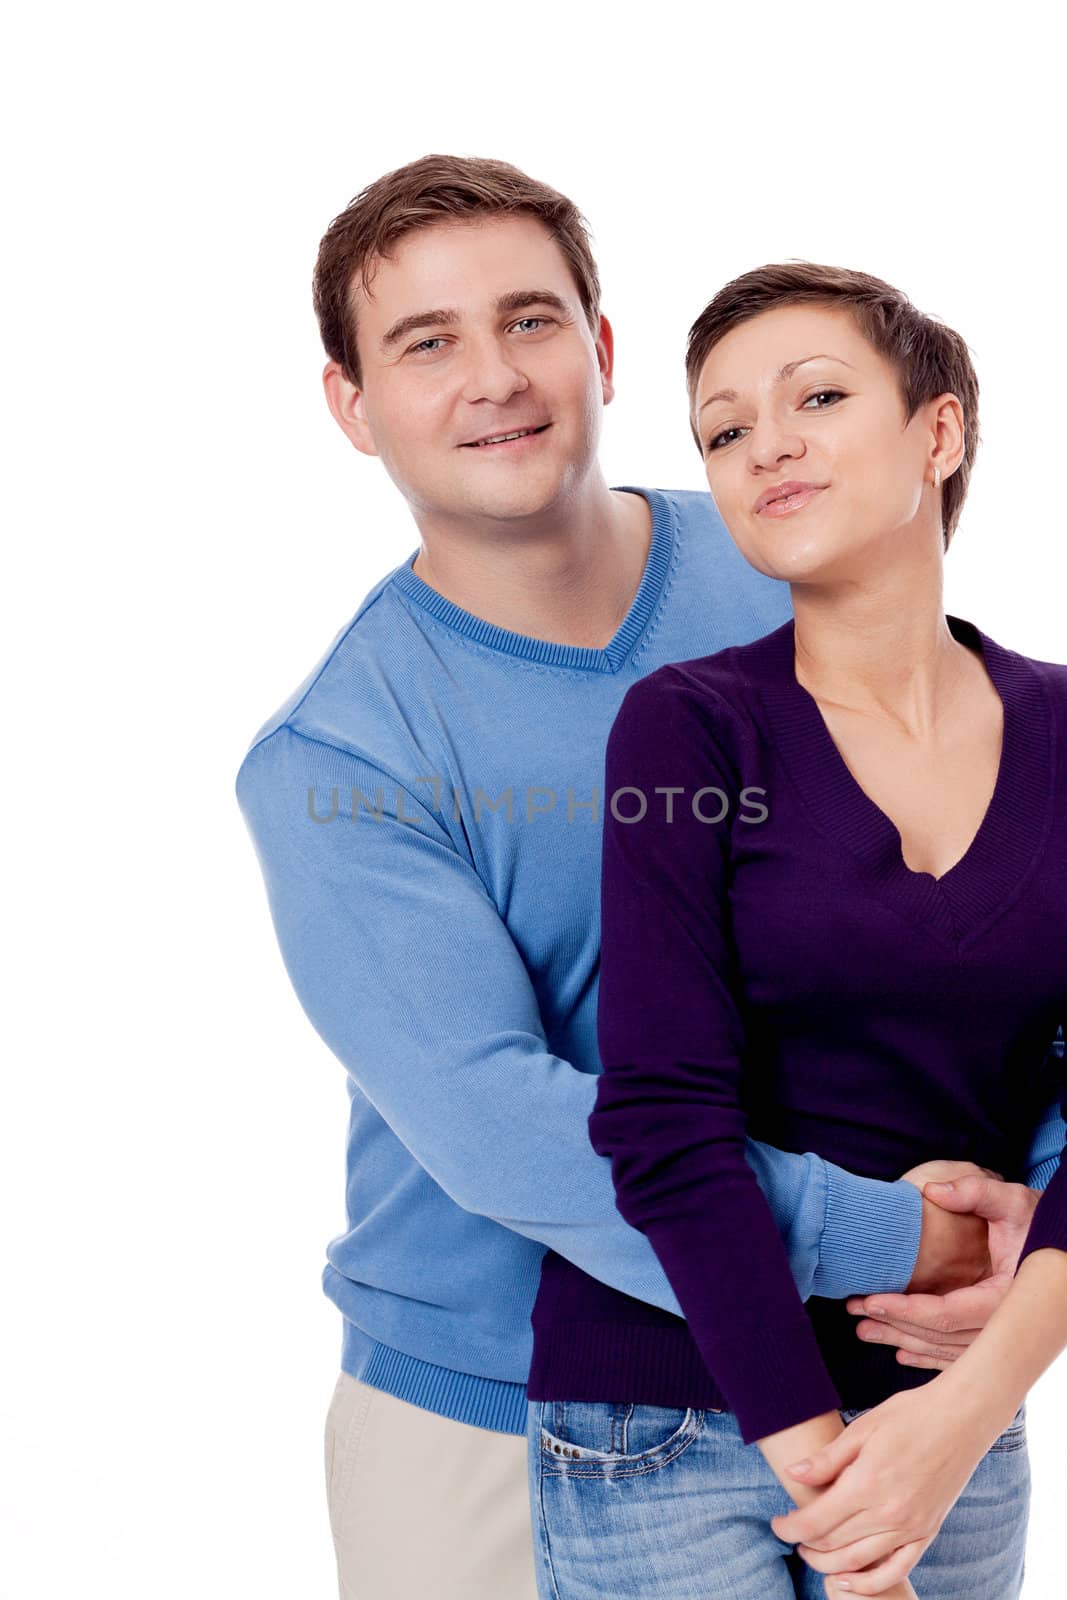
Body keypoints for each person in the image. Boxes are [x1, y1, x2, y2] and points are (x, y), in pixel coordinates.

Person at [233, 158, 1062, 1600]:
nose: (494, 376)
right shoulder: (341, 756)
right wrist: (916, 1236)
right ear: (352, 407)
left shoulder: (780, 553)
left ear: (602, 348)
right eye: (426, 344)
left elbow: (998, 935)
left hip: (889, 1370)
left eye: (531, 320)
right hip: (494, 1407)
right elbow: (503, 1122)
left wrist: (1027, 1252)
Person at [525, 263, 1067, 1600]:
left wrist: (970, 1406)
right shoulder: (684, 728)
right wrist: (842, 1494)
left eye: (817, 397)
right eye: (722, 428)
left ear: (937, 433)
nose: (764, 443)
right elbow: (662, 1122)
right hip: (670, 1424)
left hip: (955, 1419)